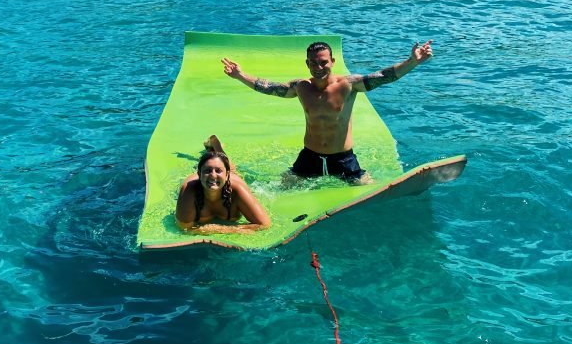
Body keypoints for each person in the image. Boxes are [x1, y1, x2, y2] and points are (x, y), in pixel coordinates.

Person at [221, 40, 433, 185]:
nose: (319, 66)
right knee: (279, 188)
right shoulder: (300, 87)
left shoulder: (350, 85)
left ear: (332, 61)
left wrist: (412, 62)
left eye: (323, 62)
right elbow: (269, 87)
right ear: (307, 64)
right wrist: (240, 75)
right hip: (309, 157)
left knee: (367, 189)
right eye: (313, 62)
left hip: (343, 160)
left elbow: (384, 75)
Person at [175, 137, 271, 234]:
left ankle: (216, 145)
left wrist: (214, 229)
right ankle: (212, 149)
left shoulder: (237, 190)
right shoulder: (189, 189)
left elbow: (264, 224)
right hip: (204, 180)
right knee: (215, 162)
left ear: (227, 175)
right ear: (199, 174)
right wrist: (232, 230)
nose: (213, 175)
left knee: (225, 164)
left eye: (218, 171)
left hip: (232, 179)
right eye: (207, 171)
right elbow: (184, 228)